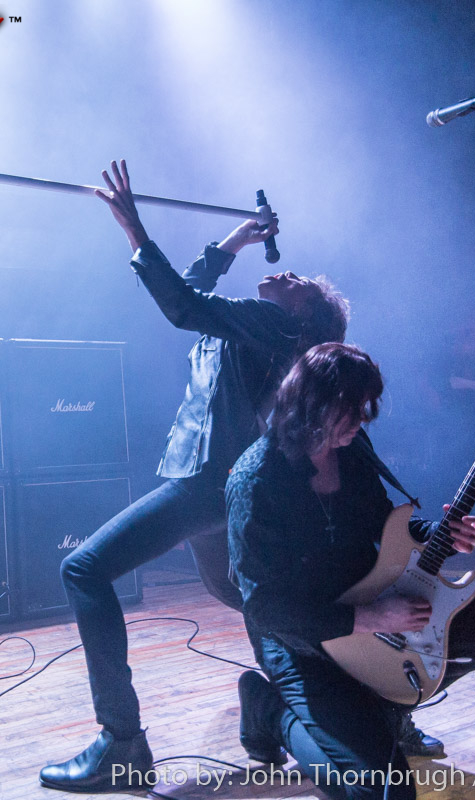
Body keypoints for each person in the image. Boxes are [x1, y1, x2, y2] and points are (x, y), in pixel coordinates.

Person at [39, 160, 350, 793]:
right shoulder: (251, 324)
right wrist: (233, 241)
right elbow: (188, 294)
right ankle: (324, 700)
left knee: (84, 570)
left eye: (299, 282)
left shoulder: (276, 326)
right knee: (252, 599)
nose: (285, 273)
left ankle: (121, 744)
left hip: (208, 481)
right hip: (213, 480)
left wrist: (135, 229)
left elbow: (181, 306)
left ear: (306, 315)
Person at [226, 342, 475, 800]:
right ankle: (270, 710)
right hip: (302, 642)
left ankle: (386, 701)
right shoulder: (255, 480)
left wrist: (441, 534)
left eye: (365, 407)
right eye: (351, 408)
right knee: (380, 793)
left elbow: (385, 523)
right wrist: (372, 618)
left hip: (374, 606)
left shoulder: (351, 450)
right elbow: (266, 608)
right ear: (313, 404)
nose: (362, 420)